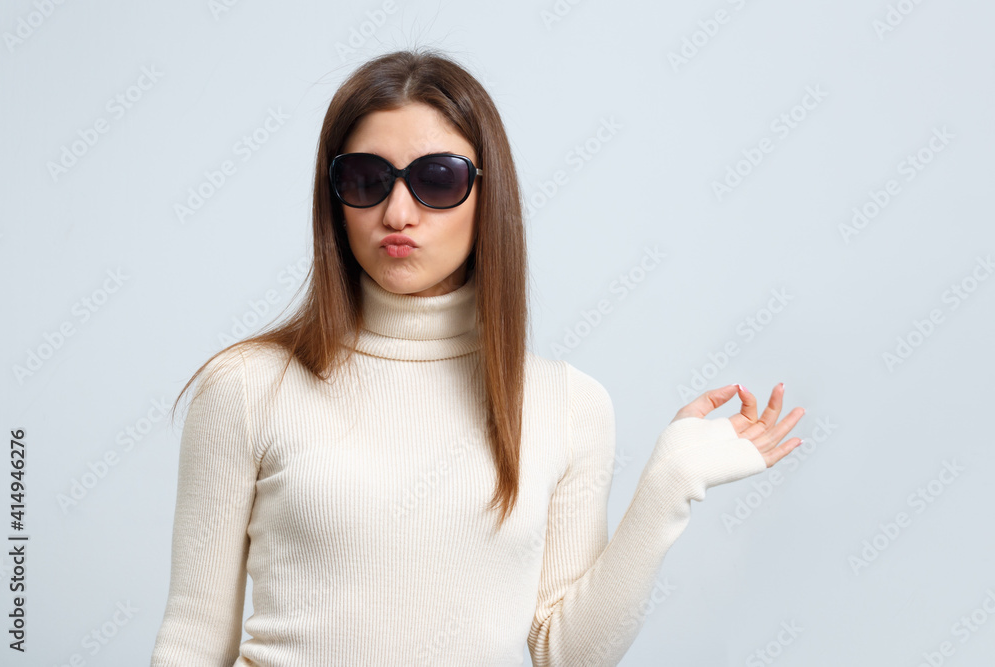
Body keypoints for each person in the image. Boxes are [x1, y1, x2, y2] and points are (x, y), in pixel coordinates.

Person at [149, 47, 805, 666]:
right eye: (366, 179)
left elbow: (566, 652)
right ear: (335, 198)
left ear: (486, 194)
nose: (397, 211)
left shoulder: (569, 404)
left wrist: (668, 484)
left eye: (437, 179)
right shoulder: (245, 386)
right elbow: (192, 641)